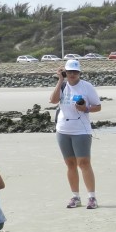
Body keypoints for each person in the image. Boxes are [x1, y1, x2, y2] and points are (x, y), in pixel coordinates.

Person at [49, 59, 102, 209]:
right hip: (63, 130)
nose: (72, 74)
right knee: (70, 164)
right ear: (65, 72)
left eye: (75, 72)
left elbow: (98, 107)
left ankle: (92, 197)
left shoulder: (86, 87)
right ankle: (75, 196)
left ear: (79, 73)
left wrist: (85, 109)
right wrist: (60, 80)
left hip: (81, 130)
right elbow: (53, 100)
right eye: (69, 71)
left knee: (84, 163)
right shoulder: (63, 85)